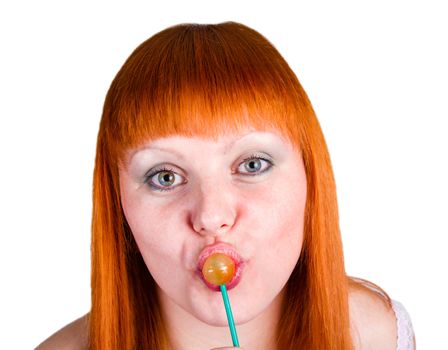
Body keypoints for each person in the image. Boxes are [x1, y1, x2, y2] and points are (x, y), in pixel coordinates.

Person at [37, 22, 415, 349]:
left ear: (310, 179)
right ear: (118, 206)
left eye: (253, 165)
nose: (212, 216)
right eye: (165, 177)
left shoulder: (374, 334)